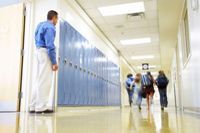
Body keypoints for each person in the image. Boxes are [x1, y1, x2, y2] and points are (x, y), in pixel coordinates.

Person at [29, 10, 59, 114]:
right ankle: (41, 107)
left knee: (38, 80)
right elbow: (50, 45)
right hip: (45, 53)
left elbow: (36, 38)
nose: (57, 21)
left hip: (38, 52)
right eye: (57, 19)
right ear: (54, 18)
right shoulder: (50, 27)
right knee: (45, 81)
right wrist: (54, 62)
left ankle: (33, 106)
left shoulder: (40, 25)